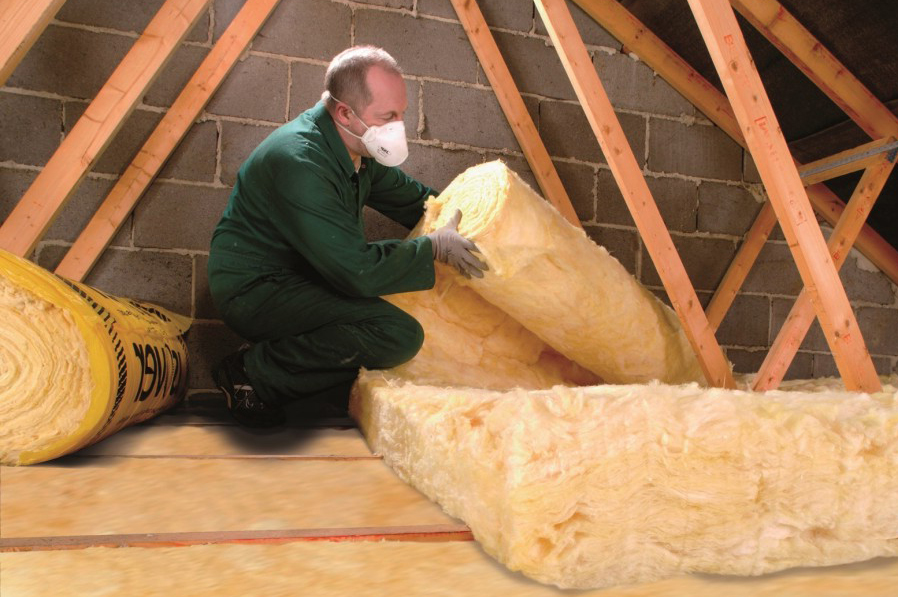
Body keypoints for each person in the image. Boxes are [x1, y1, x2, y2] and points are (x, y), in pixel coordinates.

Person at [207, 46, 486, 427]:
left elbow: (417, 202)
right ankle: (252, 373)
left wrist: (474, 219)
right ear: (345, 112)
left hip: (306, 275)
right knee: (395, 333)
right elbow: (356, 271)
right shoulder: (299, 162)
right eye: (388, 116)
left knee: (383, 313)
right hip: (255, 288)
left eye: (401, 114)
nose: (397, 126)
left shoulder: (357, 149)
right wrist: (433, 248)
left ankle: (276, 359)